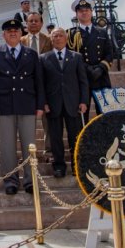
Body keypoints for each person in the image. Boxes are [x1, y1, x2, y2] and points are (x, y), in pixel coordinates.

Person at [0, 19, 45, 195]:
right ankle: (10, 180)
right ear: (3, 35)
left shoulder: (31, 54)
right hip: (5, 105)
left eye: (16, 30)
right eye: (9, 31)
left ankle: (30, 180)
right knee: (8, 146)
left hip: (27, 103)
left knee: (29, 145)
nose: (13, 33)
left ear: (21, 34)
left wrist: (40, 104)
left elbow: (39, 81)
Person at [41, 28, 90, 178]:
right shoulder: (43, 58)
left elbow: (83, 81)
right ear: (51, 38)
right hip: (53, 104)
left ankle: (77, 166)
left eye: (61, 35)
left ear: (66, 37)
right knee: (55, 137)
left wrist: (83, 101)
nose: (58, 38)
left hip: (73, 103)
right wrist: (43, 102)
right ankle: (59, 166)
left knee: (74, 136)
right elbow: (41, 83)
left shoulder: (76, 57)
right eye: (54, 35)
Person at [20, 11, 53, 158]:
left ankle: (49, 150)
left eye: (36, 21)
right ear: (26, 24)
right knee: (26, 121)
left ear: (41, 23)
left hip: (46, 84)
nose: (33, 23)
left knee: (48, 120)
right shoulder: (20, 41)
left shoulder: (49, 40)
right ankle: (28, 152)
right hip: (27, 85)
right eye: (30, 21)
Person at [66, 0, 113, 96]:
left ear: (91, 12)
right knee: (83, 110)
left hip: (101, 76)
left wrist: (100, 68)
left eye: (87, 10)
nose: (84, 13)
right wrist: (87, 69)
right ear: (76, 14)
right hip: (82, 77)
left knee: (103, 110)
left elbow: (109, 53)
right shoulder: (71, 34)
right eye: (81, 11)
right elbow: (70, 56)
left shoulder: (102, 32)